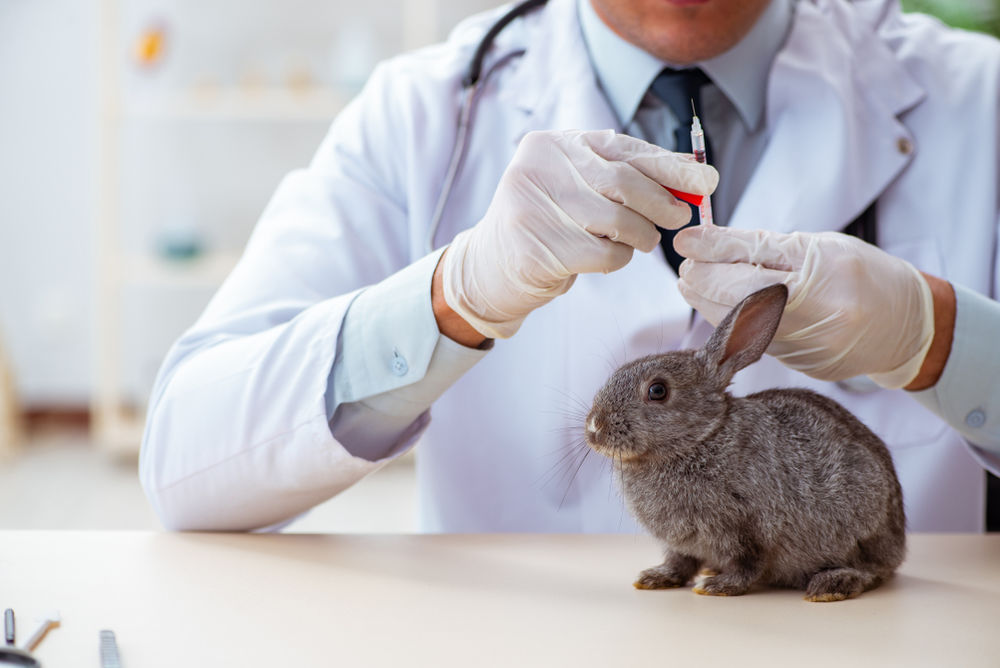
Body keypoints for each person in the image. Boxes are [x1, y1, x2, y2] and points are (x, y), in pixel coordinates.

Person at [139, 0, 1000, 533]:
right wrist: (452, 297)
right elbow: (186, 461)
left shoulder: (978, 98)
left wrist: (939, 339)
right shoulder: (425, 112)